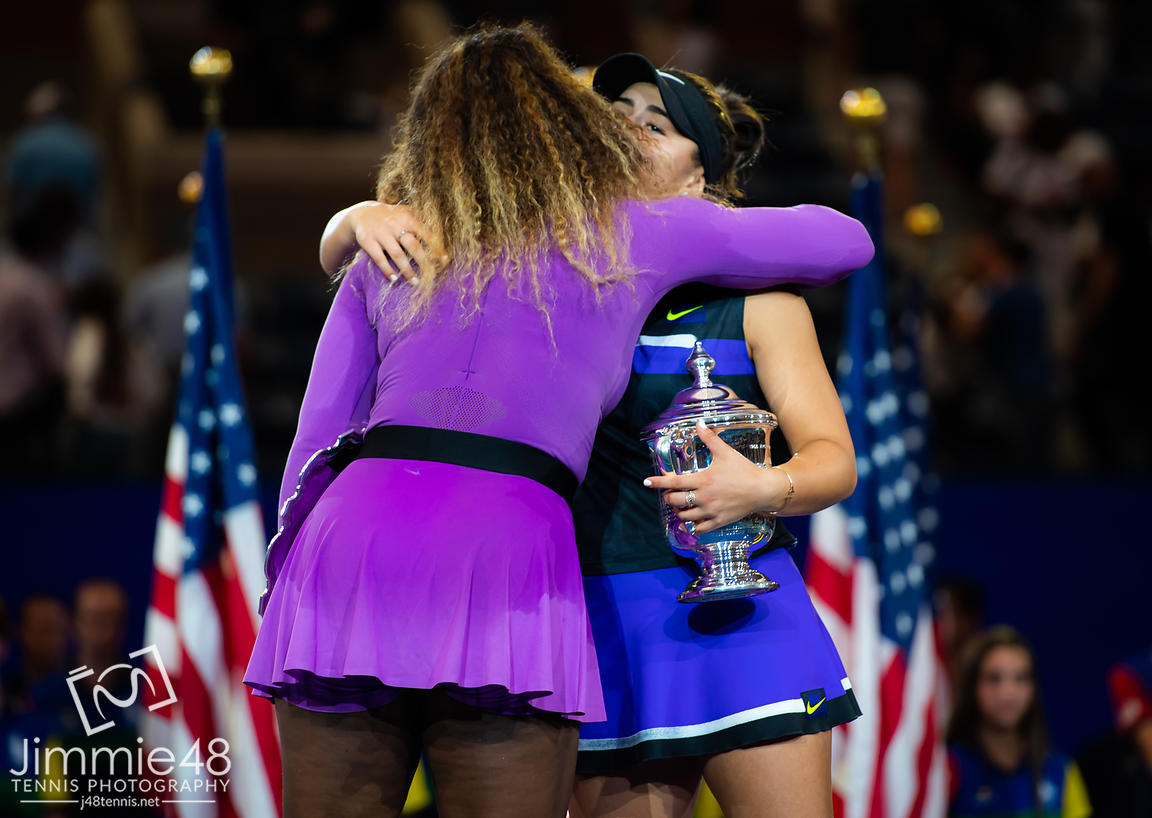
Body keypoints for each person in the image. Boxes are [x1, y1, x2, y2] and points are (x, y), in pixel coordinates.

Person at [260, 26, 872, 817]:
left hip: (353, 555)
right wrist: (352, 219)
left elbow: (316, 447)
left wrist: (351, 221)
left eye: (654, 123)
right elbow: (841, 239)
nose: (623, 125)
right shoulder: (628, 236)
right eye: (608, 111)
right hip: (525, 565)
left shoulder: (399, 241)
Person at [947, 626, 1091, 818]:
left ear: (1034, 688)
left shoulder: (1061, 771)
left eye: (1021, 678)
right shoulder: (949, 770)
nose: (1008, 692)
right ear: (972, 687)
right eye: (994, 678)